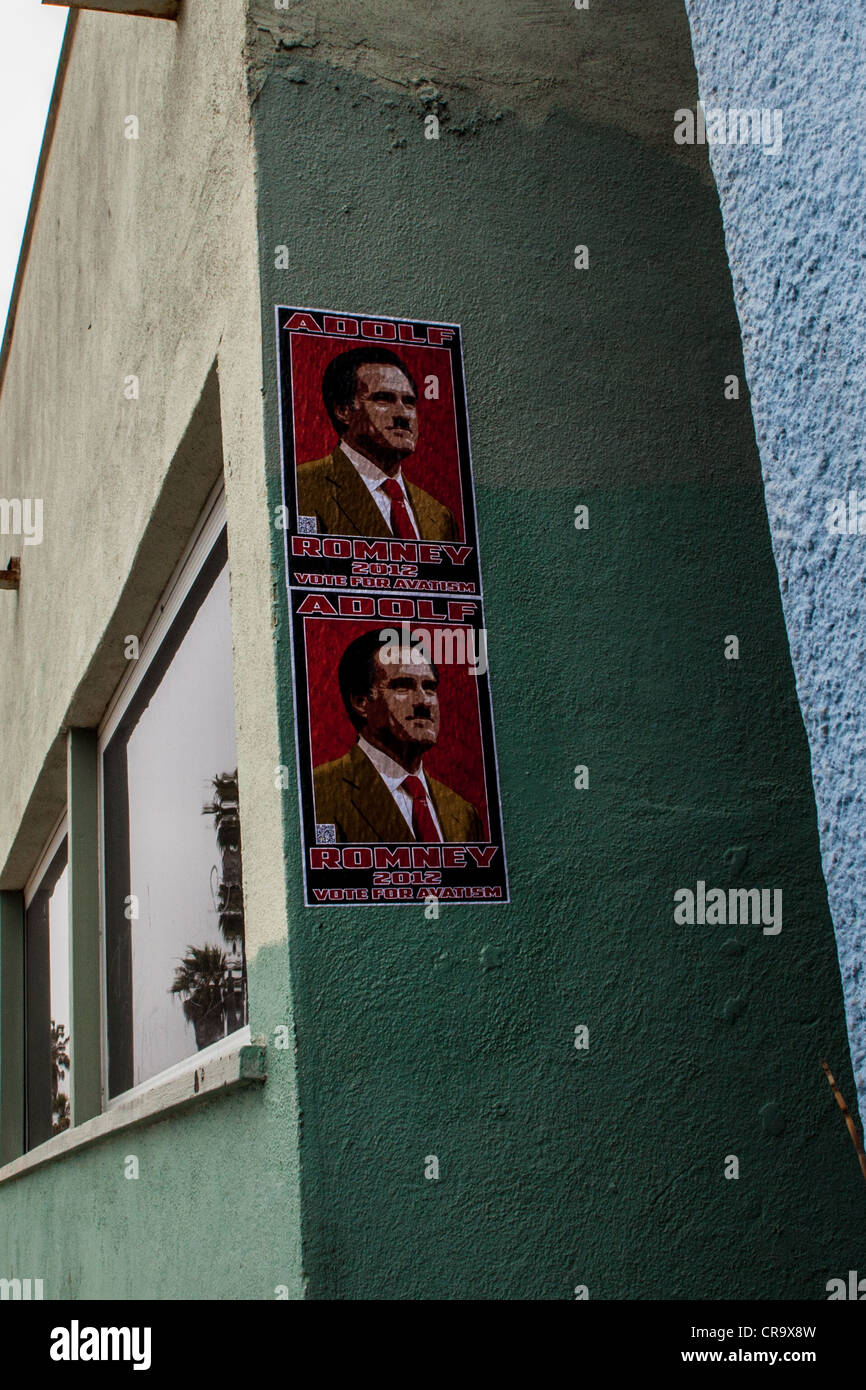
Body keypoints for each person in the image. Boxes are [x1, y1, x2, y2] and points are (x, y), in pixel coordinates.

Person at [314, 630, 483, 843]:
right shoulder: (319, 793)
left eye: (430, 688)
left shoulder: (464, 813)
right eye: (403, 686)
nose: (424, 702)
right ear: (361, 702)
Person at [297, 347, 458, 539]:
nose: (403, 414)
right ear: (343, 410)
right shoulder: (302, 486)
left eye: (409, 402)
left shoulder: (439, 516)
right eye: (384, 399)